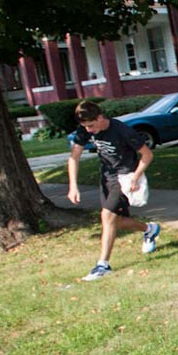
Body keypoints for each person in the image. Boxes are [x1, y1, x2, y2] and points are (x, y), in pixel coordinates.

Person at [68, 100, 161, 281]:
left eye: (91, 126)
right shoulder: (85, 129)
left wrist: (136, 176)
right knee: (116, 222)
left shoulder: (122, 130)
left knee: (107, 216)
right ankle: (149, 229)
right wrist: (73, 185)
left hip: (126, 176)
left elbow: (148, 154)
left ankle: (103, 265)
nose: (88, 130)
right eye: (85, 127)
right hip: (107, 177)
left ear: (101, 117)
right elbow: (74, 157)